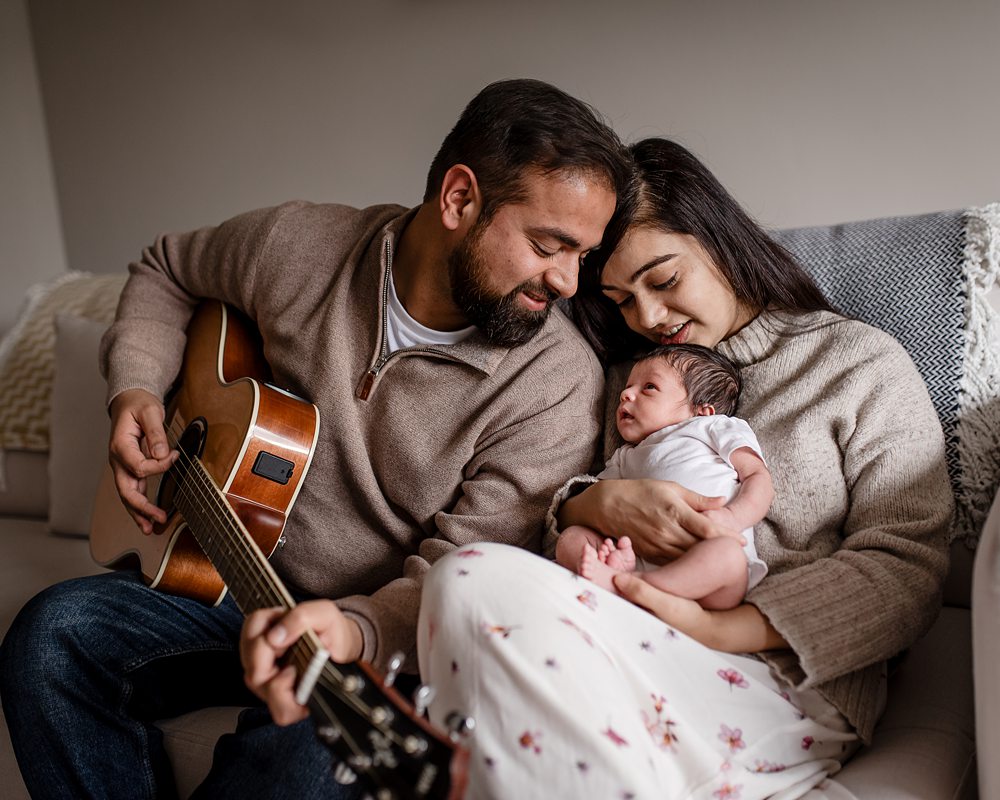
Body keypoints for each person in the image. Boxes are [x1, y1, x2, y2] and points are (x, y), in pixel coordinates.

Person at [0, 79, 632, 799]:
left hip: (360, 636)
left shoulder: (555, 385)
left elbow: (461, 575)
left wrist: (356, 628)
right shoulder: (299, 245)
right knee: (49, 636)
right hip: (223, 583)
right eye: (549, 245)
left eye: (583, 255)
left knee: (314, 755)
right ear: (459, 199)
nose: (568, 281)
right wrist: (137, 388)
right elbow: (167, 269)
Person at [418, 138, 952, 799]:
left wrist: (715, 626)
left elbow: (907, 564)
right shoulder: (625, 382)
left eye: (664, 281)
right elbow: (553, 531)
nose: (647, 317)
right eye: (621, 299)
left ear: (720, 243)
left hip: (775, 678)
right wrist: (592, 506)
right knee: (465, 580)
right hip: (628, 634)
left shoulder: (856, 364)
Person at [556, 343, 772, 611]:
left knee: (729, 556)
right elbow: (599, 502)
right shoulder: (625, 456)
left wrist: (734, 517)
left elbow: (758, 477)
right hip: (642, 555)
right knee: (572, 539)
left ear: (701, 411)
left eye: (649, 387)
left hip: (709, 572)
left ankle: (631, 585)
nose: (625, 394)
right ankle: (622, 578)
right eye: (628, 386)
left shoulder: (714, 427)